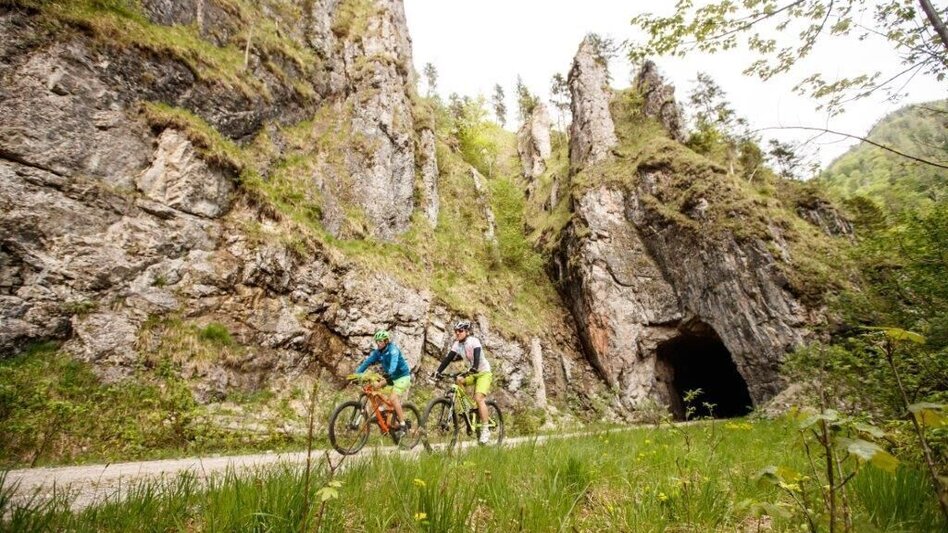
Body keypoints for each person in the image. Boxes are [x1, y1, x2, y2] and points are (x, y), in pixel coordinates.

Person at [434, 320, 494, 444]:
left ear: (467, 332)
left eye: (460, 331)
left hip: (483, 372)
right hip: (471, 373)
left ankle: (485, 429)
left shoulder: (474, 341)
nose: (457, 333)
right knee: (458, 380)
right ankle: (468, 408)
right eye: (456, 331)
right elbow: (448, 359)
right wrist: (437, 371)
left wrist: (475, 367)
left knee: (479, 398)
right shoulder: (457, 345)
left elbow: (477, 356)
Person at [354, 329, 412, 438]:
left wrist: (389, 374)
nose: (378, 343)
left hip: (402, 377)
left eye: (380, 341)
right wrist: (356, 375)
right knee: (374, 390)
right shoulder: (378, 352)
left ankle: (403, 424)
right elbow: (367, 362)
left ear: (386, 341)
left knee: (393, 398)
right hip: (390, 378)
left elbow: (394, 363)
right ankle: (382, 411)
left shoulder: (393, 350)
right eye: (377, 341)